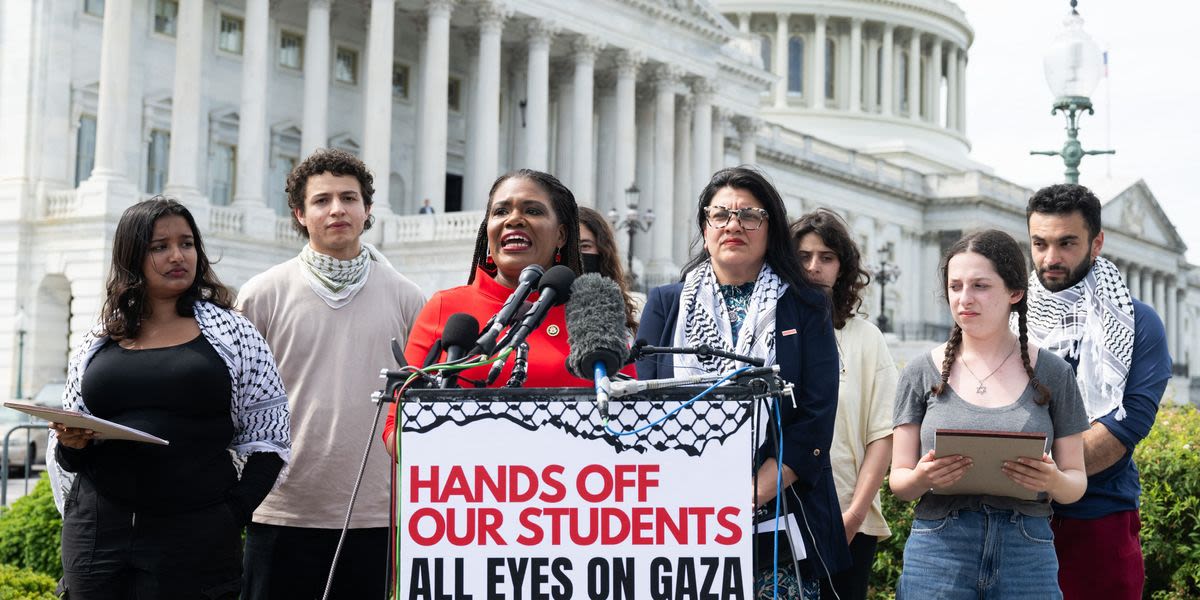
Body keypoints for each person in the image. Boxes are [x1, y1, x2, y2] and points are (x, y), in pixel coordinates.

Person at [46, 197, 291, 599]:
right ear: (132, 256)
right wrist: (71, 446)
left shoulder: (234, 333)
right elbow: (72, 448)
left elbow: (270, 437)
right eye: (159, 246)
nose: (178, 255)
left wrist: (233, 514)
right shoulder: (99, 338)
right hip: (97, 531)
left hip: (196, 533)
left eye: (187, 243)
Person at [636, 167, 849, 599]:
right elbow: (646, 408)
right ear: (704, 226)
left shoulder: (806, 306)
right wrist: (700, 496)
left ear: (771, 229)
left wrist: (746, 495)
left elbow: (815, 418)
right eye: (721, 215)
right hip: (683, 515)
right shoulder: (664, 305)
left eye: (750, 215)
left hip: (781, 519)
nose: (733, 225)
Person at [237, 149, 425, 599]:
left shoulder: (408, 298)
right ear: (300, 214)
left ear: (368, 210)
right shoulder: (261, 294)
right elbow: (234, 400)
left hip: (375, 513)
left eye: (349, 197)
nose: (337, 209)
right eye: (322, 200)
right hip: (279, 510)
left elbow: (424, 404)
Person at [889, 229, 1089, 599]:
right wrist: (922, 476)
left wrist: (1051, 479)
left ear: (1015, 293)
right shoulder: (920, 371)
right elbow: (898, 481)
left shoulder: (1054, 374)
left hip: (1026, 548)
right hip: (939, 549)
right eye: (955, 286)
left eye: (980, 286)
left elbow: (1076, 482)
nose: (964, 299)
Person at [1023, 184, 1172, 599]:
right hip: (1009, 524)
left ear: (1097, 242)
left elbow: (1122, 433)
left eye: (1067, 243)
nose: (1051, 258)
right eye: (1040, 243)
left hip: (1098, 521)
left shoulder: (1138, 322)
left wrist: (1015, 468)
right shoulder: (1007, 317)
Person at [381, 169, 596, 452]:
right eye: (500, 211)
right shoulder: (447, 308)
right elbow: (396, 429)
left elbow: (632, 412)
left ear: (561, 235)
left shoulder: (593, 316)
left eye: (532, 210)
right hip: (465, 489)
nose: (514, 220)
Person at [792, 209, 897, 600]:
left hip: (848, 520)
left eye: (826, 257)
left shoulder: (867, 338)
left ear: (843, 267)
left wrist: (852, 516)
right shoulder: (769, 332)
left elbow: (881, 436)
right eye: (803, 257)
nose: (814, 267)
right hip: (779, 518)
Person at [578, 206, 638, 334]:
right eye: (569, 246)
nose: (576, 254)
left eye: (585, 246)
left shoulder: (614, 309)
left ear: (602, 251)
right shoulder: (537, 306)